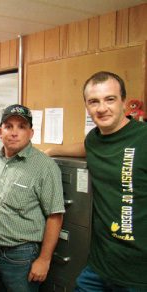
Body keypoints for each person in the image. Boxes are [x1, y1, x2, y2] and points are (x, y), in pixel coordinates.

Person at [45, 71, 147, 291]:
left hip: (138, 273)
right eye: (94, 101)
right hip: (100, 266)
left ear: (124, 102)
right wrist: (52, 150)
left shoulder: (143, 138)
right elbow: (85, 147)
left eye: (110, 99)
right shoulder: (94, 139)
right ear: (87, 106)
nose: (102, 108)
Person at [0, 104, 65, 292]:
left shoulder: (44, 167)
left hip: (20, 257)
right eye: (9, 126)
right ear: (0, 131)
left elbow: (55, 215)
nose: (14, 132)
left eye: (21, 127)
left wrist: (44, 259)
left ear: (31, 133)